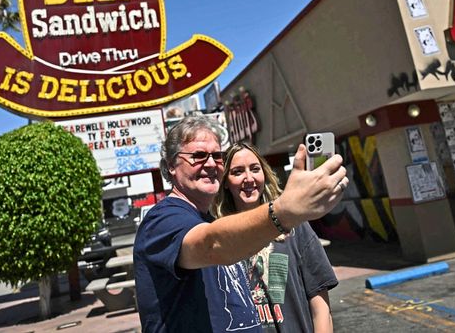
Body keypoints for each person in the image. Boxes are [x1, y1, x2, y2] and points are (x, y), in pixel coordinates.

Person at [134, 116, 347, 332]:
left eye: (217, 156)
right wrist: (283, 211)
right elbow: (212, 245)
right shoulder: (162, 220)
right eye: (198, 156)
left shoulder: (208, 220)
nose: (210, 163)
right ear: (171, 165)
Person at [215, 141, 337, 332]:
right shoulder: (218, 237)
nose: (249, 178)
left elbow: (321, 308)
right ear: (225, 183)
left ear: (264, 174)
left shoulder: (294, 225)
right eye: (237, 172)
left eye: (255, 169)